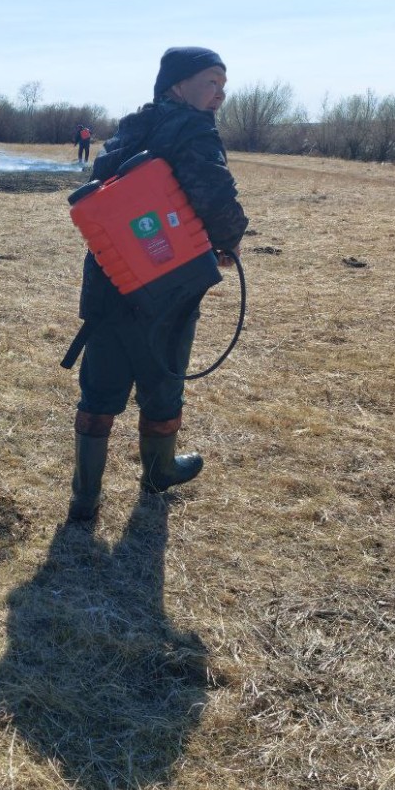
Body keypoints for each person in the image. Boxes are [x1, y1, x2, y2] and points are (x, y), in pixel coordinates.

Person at [66, 47, 248, 524]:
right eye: (212, 82)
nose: (220, 95)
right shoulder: (194, 129)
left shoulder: (129, 128)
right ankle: (158, 473)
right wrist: (229, 241)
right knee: (163, 379)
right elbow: (215, 195)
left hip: (110, 277)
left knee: (100, 387)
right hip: (170, 283)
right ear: (177, 85)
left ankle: (84, 500)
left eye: (223, 85)